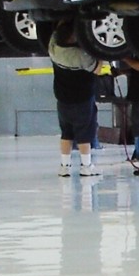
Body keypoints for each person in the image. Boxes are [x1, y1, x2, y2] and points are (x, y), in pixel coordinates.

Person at [48, 19, 102, 176]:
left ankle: (64, 167)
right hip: (82, 100)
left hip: (63, 100)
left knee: (66, 133)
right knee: (84, 134)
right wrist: (102, 54)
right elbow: (97, 69)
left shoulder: (54, 49)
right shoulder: (80, 55)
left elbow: (55, 32)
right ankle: (86, 167)